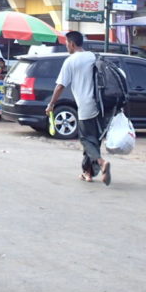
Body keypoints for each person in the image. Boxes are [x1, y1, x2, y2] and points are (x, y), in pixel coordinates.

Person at [45, 30, 111, 185]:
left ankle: (101, 163)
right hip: (101, 104)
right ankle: (88, 172)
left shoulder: (71, 61)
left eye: (67, 43)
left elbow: (60, 86)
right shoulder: (92, 56)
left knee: (86, 140)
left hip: (86, 106)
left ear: (72, 44)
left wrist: (51, 104)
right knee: (94, 139)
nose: (66, 46)